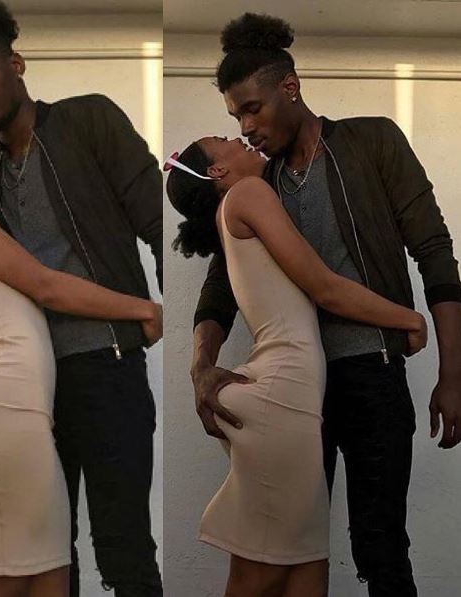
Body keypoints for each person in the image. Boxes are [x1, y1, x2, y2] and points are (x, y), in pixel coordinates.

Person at [187, 12, 461, 597]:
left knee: (380, 548)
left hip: (373, 375)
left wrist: (453, 373)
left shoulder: (372, 141)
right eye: (235, 118)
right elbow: (219, 289)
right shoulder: (256, 185)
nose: (246, 127)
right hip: (295, 395)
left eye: (252, 109)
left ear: (290, 87)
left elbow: (435, 253)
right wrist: (200, 366)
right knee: (292, 550)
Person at [0, 1, 163, 596]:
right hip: (32, 391)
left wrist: (165, 318)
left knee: (124, 548)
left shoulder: (87, 121)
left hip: (108, 366)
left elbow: (156, 217)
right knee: (51, 554)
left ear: (16, 64)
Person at [166, 135, 426, 597]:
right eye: (223, 140)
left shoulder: (237, 209)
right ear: (217, 172)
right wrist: (409, 318)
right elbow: (324, 286)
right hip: (282, 400)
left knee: (306, 572)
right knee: (258, 577)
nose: (238, 136)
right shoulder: (248, 194)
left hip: (290, 400)